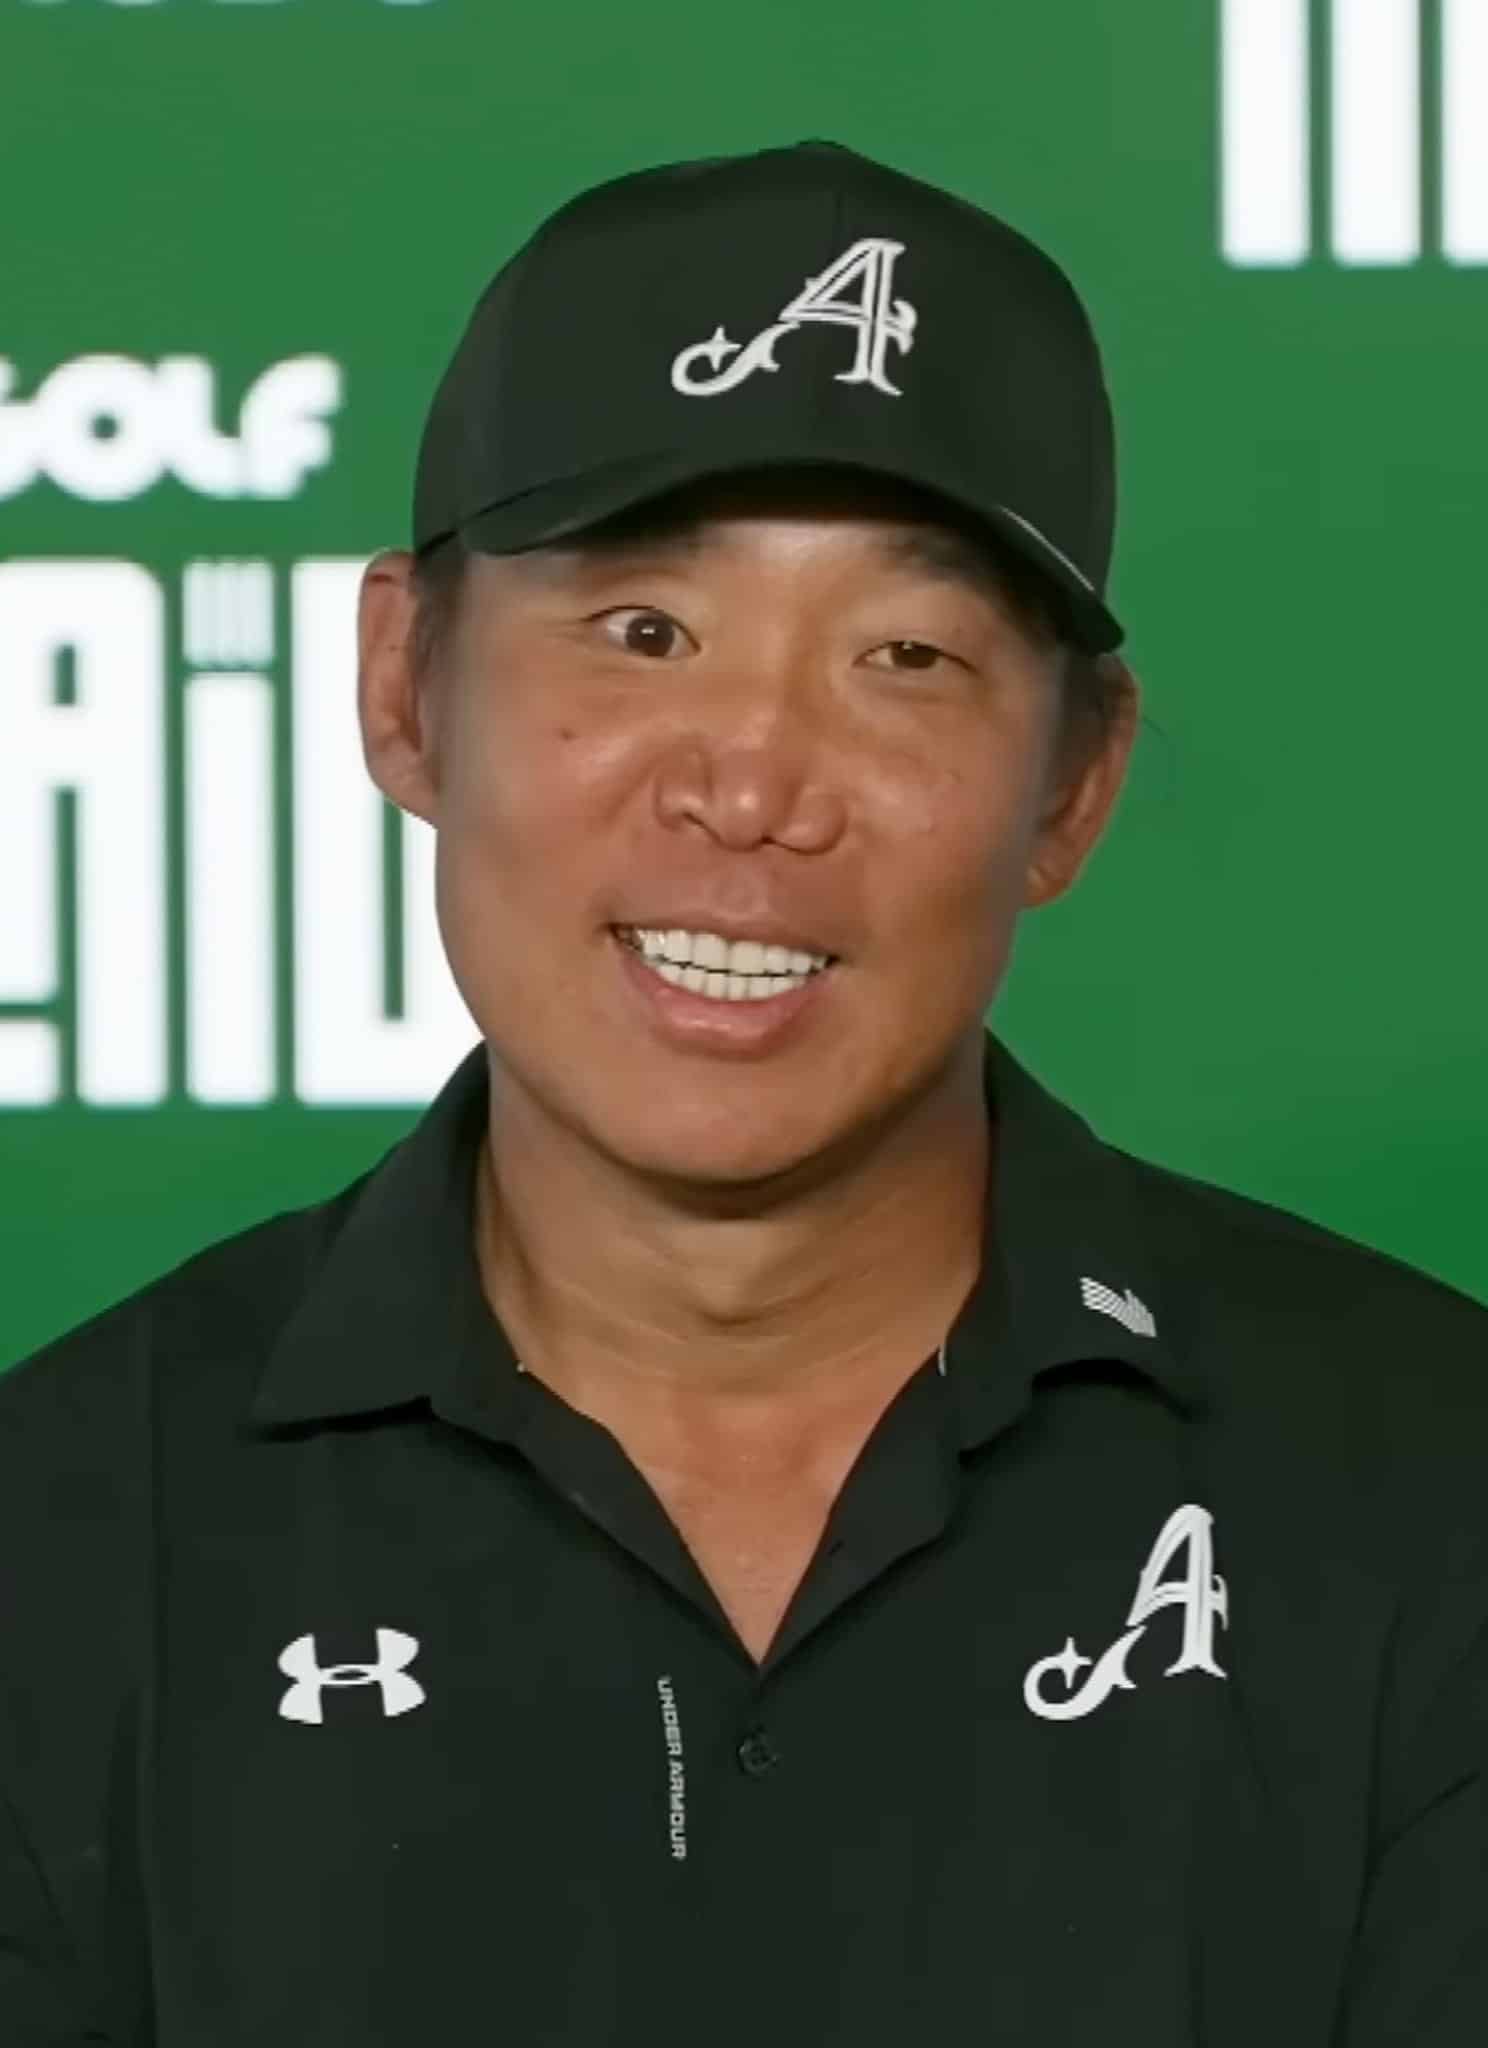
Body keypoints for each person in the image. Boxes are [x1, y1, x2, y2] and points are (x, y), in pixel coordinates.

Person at [2, 138, 1485, 2048]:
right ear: (401, 684)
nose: (753, 784)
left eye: (907, 656)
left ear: (1074, 784)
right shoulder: (60, 1547)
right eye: (644, 632)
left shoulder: (1432, 1504)